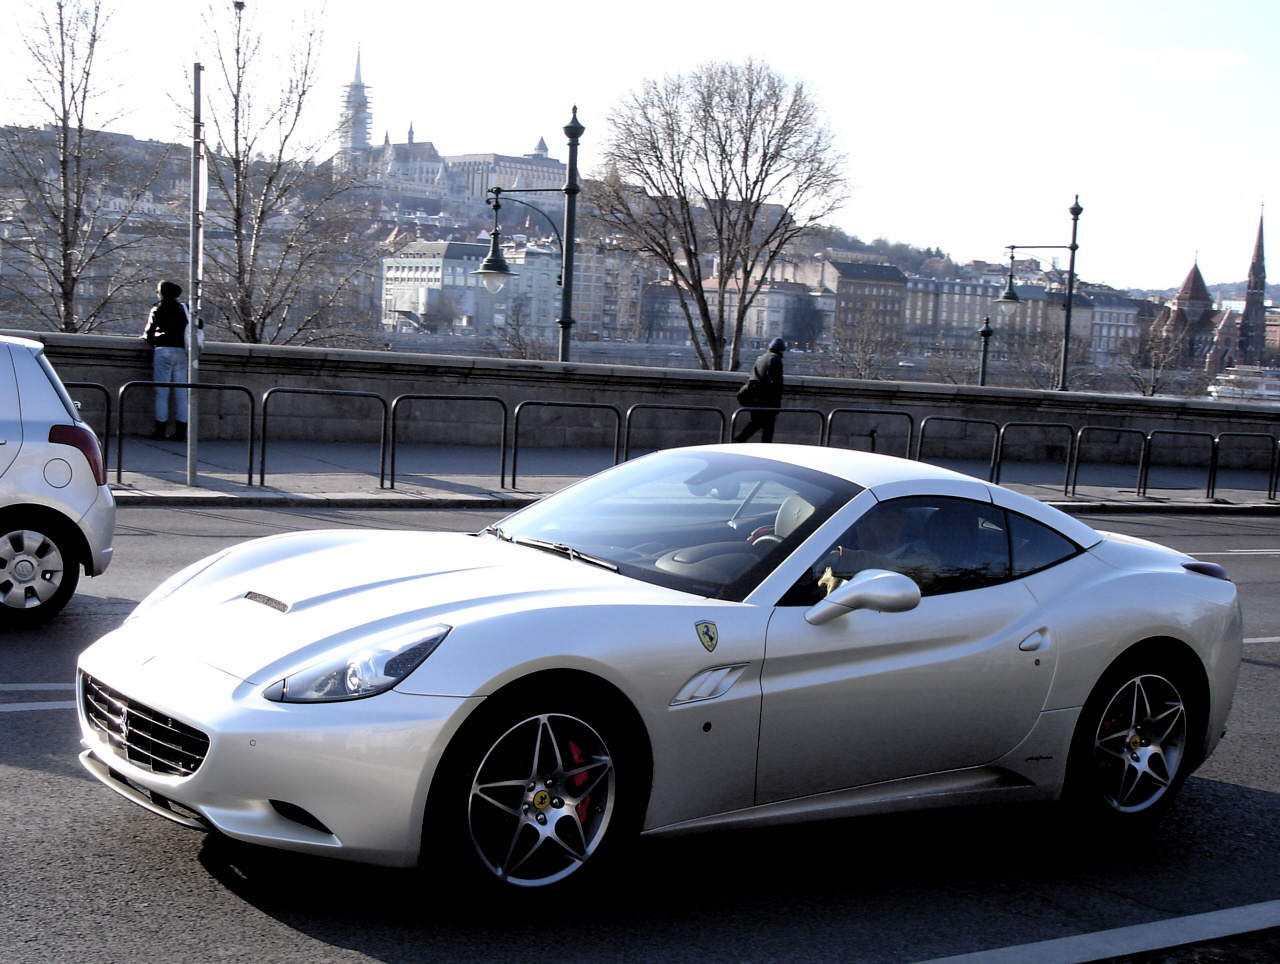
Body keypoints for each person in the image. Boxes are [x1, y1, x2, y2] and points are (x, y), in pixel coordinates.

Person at [141, 280, 190, 441]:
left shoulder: (158, 309)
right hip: (182, 351)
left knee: (162, 393)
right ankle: (181, 431)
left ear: (161, 293)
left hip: (163, 351)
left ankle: (160, 430)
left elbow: (149, 334)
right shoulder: (185, 309)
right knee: (182, 394)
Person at [733, 337, 787, 442]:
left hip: (755, 398)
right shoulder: (776, 359)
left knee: (756, 423)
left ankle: (738, 440)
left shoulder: (761, 358)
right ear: (781, 350)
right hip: (767, 401)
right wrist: (776, 405)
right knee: (768, 428)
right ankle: (742, 441)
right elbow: (776, 384)